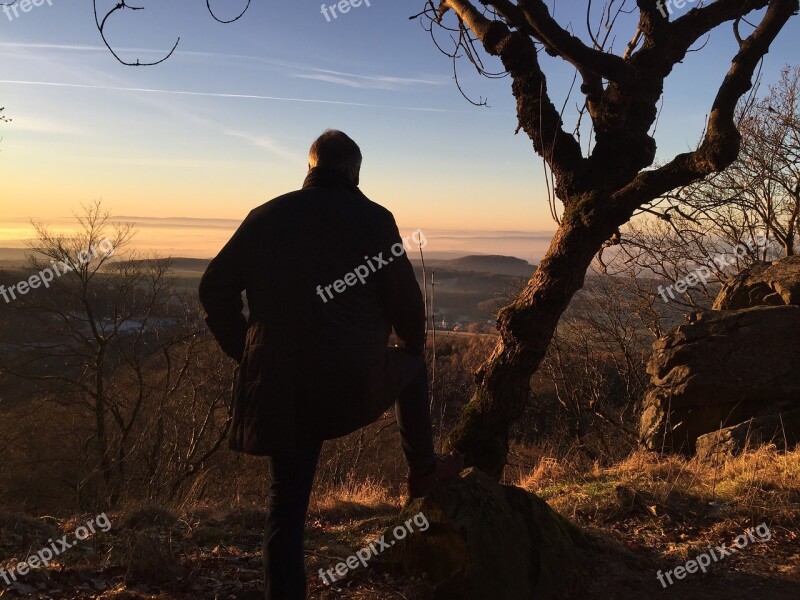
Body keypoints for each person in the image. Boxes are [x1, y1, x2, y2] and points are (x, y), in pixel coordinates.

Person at [198, 129, 463, 599]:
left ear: (310, 166)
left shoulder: (266, 216)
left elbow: (213, 288)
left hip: (279, 389)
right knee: (414, 367)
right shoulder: (374, 219)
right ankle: (422, 470)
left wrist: (247, 353)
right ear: (354, 171)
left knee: (286, 507)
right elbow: (407, 310)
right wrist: (406, 346)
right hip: (350, 385)